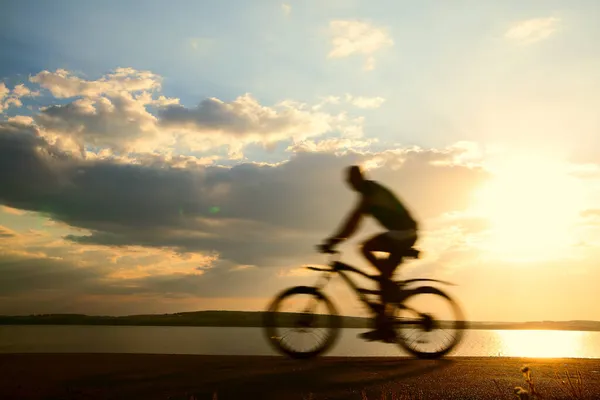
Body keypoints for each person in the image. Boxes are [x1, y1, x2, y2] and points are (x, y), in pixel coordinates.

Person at [318, 165, 419, 342]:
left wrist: (334, 240)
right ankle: (387, 292)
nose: (350, 184)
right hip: (402, 233)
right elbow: (354, 221)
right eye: (349, 181)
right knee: (380, 273)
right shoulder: (369, 190)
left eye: (352, 180)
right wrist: (337, 238)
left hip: (404, 233)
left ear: (359, 178)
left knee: (366, 249)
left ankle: (387, 316)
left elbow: (353, 221)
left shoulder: (369, 191)